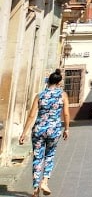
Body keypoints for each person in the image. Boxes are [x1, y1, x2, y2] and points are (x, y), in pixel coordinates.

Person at [17, 69, 70, 197]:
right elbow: (66, 113)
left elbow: (31, 115)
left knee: (37, 157)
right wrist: (67, 129)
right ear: (59, 83)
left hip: (38, 130)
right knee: (49, 156)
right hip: (54, 130)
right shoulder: (62, 95)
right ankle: (44, 182)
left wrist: (24, 133)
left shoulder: (39, 95)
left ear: (48, 81)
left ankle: (35, 189)